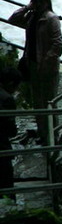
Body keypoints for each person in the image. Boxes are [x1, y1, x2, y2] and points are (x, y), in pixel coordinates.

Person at [9, 0, 62, 143]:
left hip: (46, 67)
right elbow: (12, 19)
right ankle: (43, 134)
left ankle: (54, 136)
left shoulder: (51, 19)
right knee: (38, 102)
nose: (37, 4)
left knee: (49, 102)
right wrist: (27, 7)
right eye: (34, 1)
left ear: (46, 1)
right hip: (32, 64)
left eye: (39, 1)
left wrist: (46, 62)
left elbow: (58, 45)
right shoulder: (32, 16)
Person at [0, 66, 21, 197]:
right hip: (1, 146)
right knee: (6, 187)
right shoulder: (6, 99)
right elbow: (9, 128)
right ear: (11, 84)